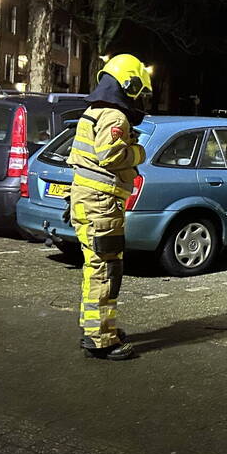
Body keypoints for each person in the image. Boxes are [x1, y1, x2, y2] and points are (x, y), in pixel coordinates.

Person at [67, 53, 151, 360]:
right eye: (139, 90)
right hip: (101, 205)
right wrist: (138, 152)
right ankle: (102, 339)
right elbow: (111, 157)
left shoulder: (93, 112)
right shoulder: (115, 118)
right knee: (106, 269)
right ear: (128, 85)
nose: (141, 98)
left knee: (96, 268)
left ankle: (95, 327)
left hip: (88, 200)